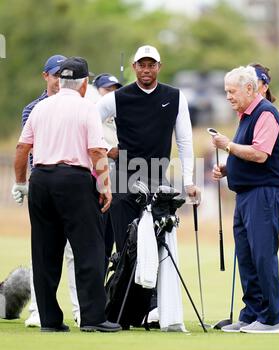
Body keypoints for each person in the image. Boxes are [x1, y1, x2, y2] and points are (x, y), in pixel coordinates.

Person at [12, 56, 121, 333]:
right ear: (84, 83)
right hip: (75, 180)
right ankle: (93, 317)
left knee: (45, 251)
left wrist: (21, 182)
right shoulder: (87, 108)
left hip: (41, 181)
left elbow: (23, 148)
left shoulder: (40, 108)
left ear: (60, 81)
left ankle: (49, 319)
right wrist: (105, 187)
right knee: (89, 250)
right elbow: (97, 151)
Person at [96, 45, 200, 255]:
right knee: (126, 250)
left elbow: (185, 141)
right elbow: (87, 124)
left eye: (151, 65)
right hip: (124, 179)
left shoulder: (175, 97)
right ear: (134, 67)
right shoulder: (116, 98)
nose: (146, 69)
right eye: (141, 65)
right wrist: (107, 149)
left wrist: (188, 180)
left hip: (157, 178)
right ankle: (123, 287)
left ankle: (155, 290)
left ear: (159, 67)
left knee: (159, 250)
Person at [211, 65, 279, 334]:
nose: (228, 96)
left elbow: (260, 154)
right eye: (226, 92)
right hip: (247, 193)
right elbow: (248, 155)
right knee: (246, 256)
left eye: (232, 91)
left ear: (249, 88)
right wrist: (227, 168)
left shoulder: (265, 113)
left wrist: (228, 147)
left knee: (262, 255)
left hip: (266, 193)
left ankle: (271, 319)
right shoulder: (245, 115)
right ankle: (252, 314)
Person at [19, 54, 81, 328]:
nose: (59, 81)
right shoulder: (33, 108)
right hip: (43, 183)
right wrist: (24, 182)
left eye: (63, 76)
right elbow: (28, 148)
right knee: (43, 250)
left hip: (69, 183)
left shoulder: (78, 105)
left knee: (73, 251)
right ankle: (37, 309)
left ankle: (80, 310)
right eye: (55, 75)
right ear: (45, 76)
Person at [92, 73, 122, 271]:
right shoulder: (93, 116)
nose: (111, 94)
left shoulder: (120, 119)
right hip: (96, 186)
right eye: (107, 89)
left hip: (118, 185)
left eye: (115, 90)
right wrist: (110, 152)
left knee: (114, 240)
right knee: (98, 244)